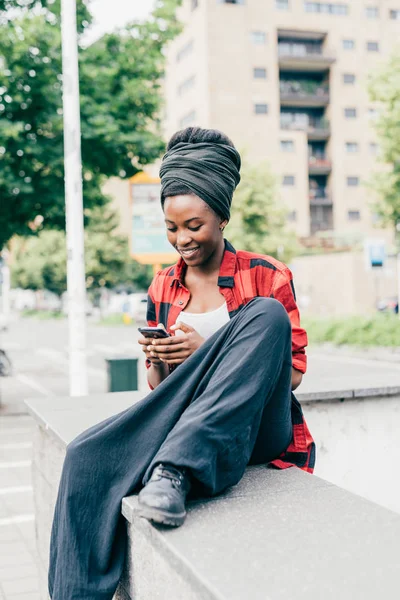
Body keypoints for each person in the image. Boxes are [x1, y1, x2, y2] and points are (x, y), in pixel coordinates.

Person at [48, 127, 315, 600]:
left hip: (257, 429)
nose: (182, 239)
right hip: (189, 420)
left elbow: (290, 375)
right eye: (172, 228)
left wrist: (205, 352)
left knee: (266, 315)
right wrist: (161, 360)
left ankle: (173, 472)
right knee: (86, 456)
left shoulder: (266, 275)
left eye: (195, 226)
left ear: (222, 218)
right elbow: (159, 389)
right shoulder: (162, 287)